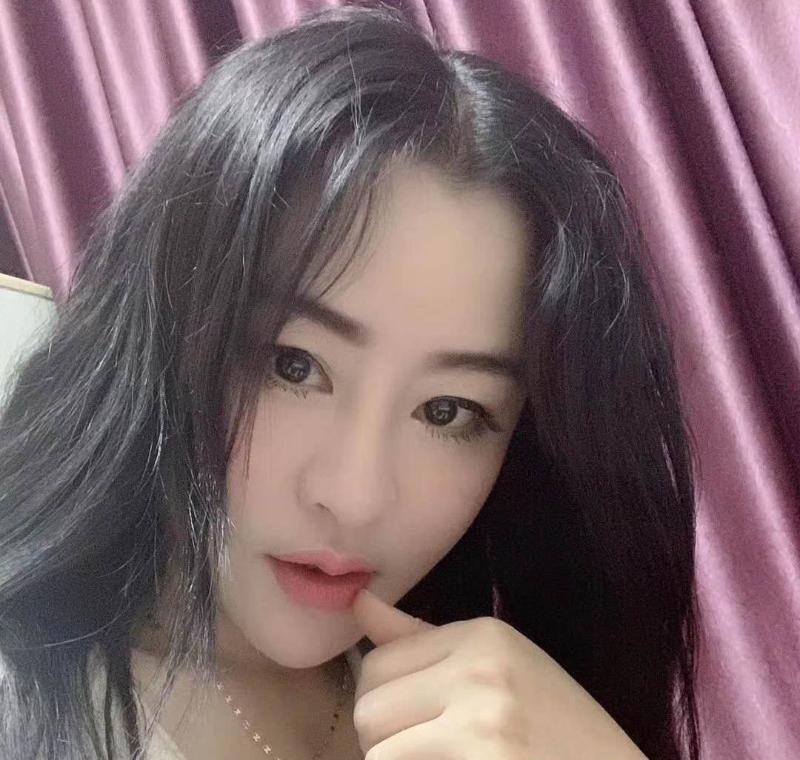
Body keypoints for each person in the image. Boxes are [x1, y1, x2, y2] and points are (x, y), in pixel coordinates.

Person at [0, 5, 701, 760]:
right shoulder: (31, 700)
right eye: (293, 365)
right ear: (162, 330)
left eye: (447, 411)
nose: (355, 496)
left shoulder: (515, 719)